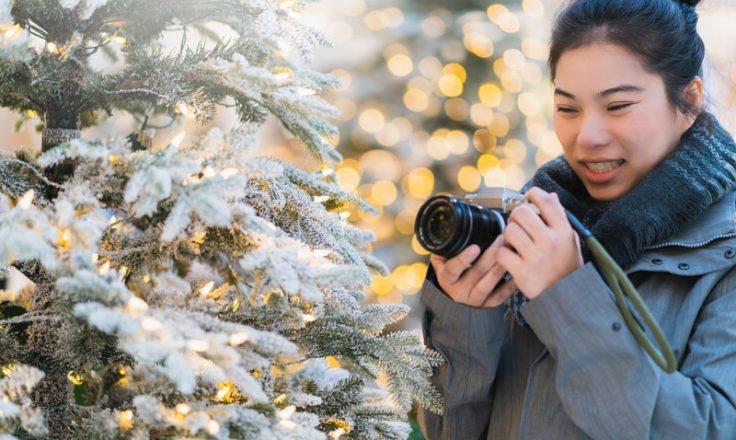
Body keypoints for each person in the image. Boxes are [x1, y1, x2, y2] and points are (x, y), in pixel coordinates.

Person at [418, 0, 736, 438]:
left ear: (690, 100)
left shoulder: (725, 251)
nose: (587, 137)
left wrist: (566, 296)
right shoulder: (532, 229)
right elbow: (449, 431)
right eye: (568, 108)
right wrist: (467, 316)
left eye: (618, 105)